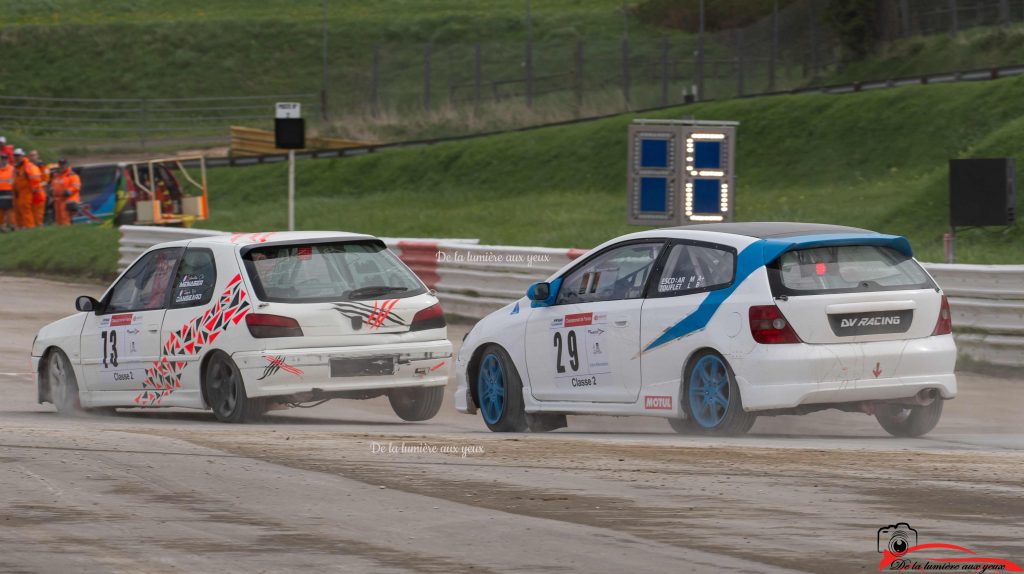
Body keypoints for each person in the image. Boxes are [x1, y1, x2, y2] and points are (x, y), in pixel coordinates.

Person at [12, 148, 42, 229]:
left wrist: (33, 191)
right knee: (19, 211)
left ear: (22, 156)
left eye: (18, 155)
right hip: (19, 194)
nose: (16, 157)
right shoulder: (17, 167)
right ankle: (22, 227)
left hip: (28, 193)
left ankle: (30, 227)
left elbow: (36, 179)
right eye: (15, 155)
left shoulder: (29, 166)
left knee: (27, 210)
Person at [50, 158, 81, 226]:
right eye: (60, 164)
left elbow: (76, 186)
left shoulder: (72, 175)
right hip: (57, 201)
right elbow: (53, 185)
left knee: (65, 220)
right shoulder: (56, 175)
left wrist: (69, 191)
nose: (61, 166)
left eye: (63, 164)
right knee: (58, 220)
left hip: (67, 201)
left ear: (67, 165)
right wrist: (52, 191)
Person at [28, 150, 49, 227]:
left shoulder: (43, 165)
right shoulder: (28, 166)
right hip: (30, 192)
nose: (32, 157)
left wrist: (37, 186)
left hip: (40, 191)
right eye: (31, 155)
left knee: (39, 211)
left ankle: (39, 224)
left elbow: (46, 180)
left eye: (34, 155)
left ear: (38, 156)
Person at [0, 154, 13, 231]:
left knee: (9, 211)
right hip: (0, 193)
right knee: (1, 211)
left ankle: (10, 225)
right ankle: (2, 226)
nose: (3, 160)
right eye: (2, 159)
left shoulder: (12, 169)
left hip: (9, 192)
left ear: (7, 160)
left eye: (4, 159)